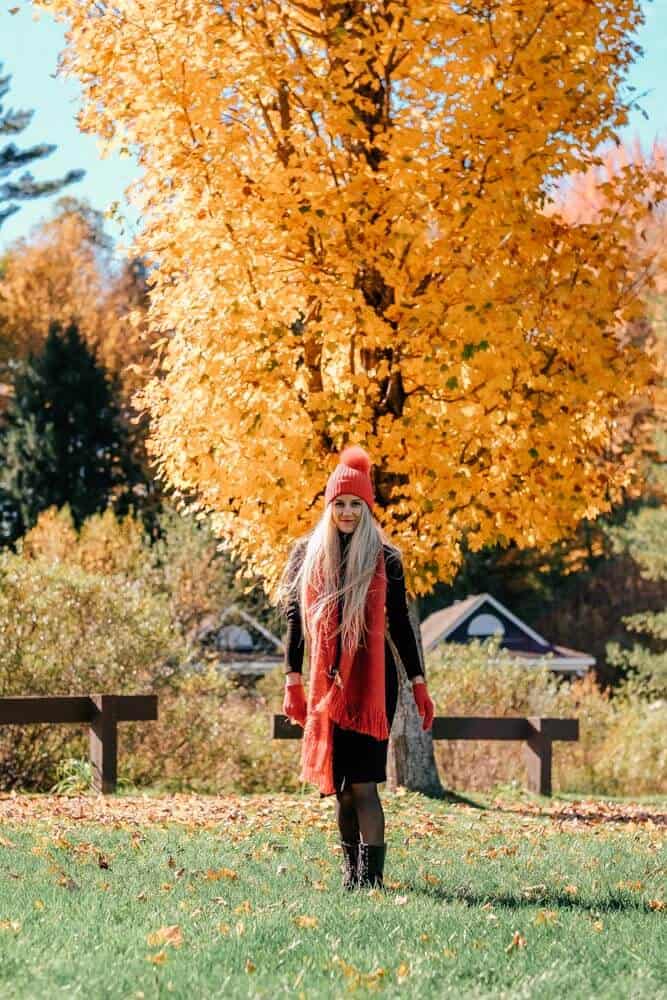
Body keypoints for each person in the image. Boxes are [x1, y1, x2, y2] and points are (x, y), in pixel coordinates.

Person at [276, 445, 435, 891]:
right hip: (328, 683)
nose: (347, 512)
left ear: (367, 508)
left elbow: (401, 625)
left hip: (373, 685)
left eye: (355, 504)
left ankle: (373, 880)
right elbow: (294, 619)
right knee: (340, 789)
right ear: (329, 507)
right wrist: (292, 680)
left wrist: (418, 684)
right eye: (339, 503)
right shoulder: (306, 554)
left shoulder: (386, 558)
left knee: (365, 786)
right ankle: (351, 878)